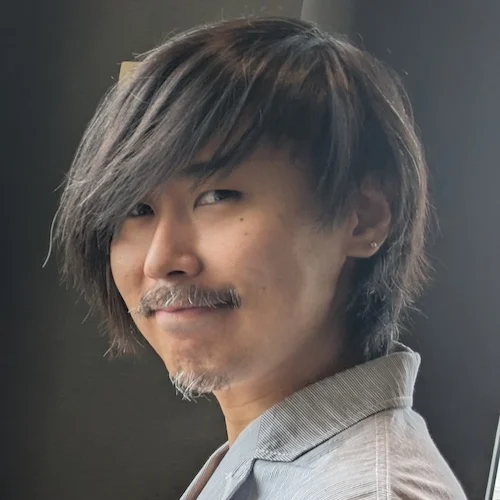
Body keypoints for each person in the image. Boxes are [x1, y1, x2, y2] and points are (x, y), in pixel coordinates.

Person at [53, 16, 467, 500]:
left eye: (216, 196)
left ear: (363, 219)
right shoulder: (270, 463)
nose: (160, 260)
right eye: (135, 209)